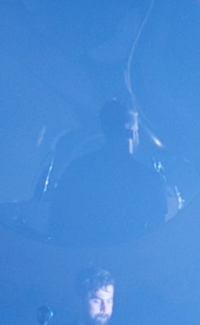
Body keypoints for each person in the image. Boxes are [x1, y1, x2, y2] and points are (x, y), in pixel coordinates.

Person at [46, 101, 178, 245]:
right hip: (127, 262)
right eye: (137, 130)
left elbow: (56, 221)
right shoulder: (150, 179)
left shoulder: (78, 169)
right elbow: (156, 234)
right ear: (131, 132)